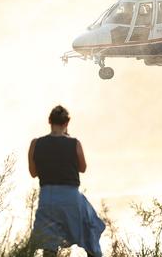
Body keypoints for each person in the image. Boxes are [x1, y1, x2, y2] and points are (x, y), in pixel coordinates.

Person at [28, 105, 105, 257]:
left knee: (48, 243)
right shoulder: (74, 143)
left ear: (49, 121)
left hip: (47, 197)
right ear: (66, 123)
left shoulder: (35, 144)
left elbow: (33, 173)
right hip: (70, 196)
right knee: (90, 227)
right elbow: (83, 168)